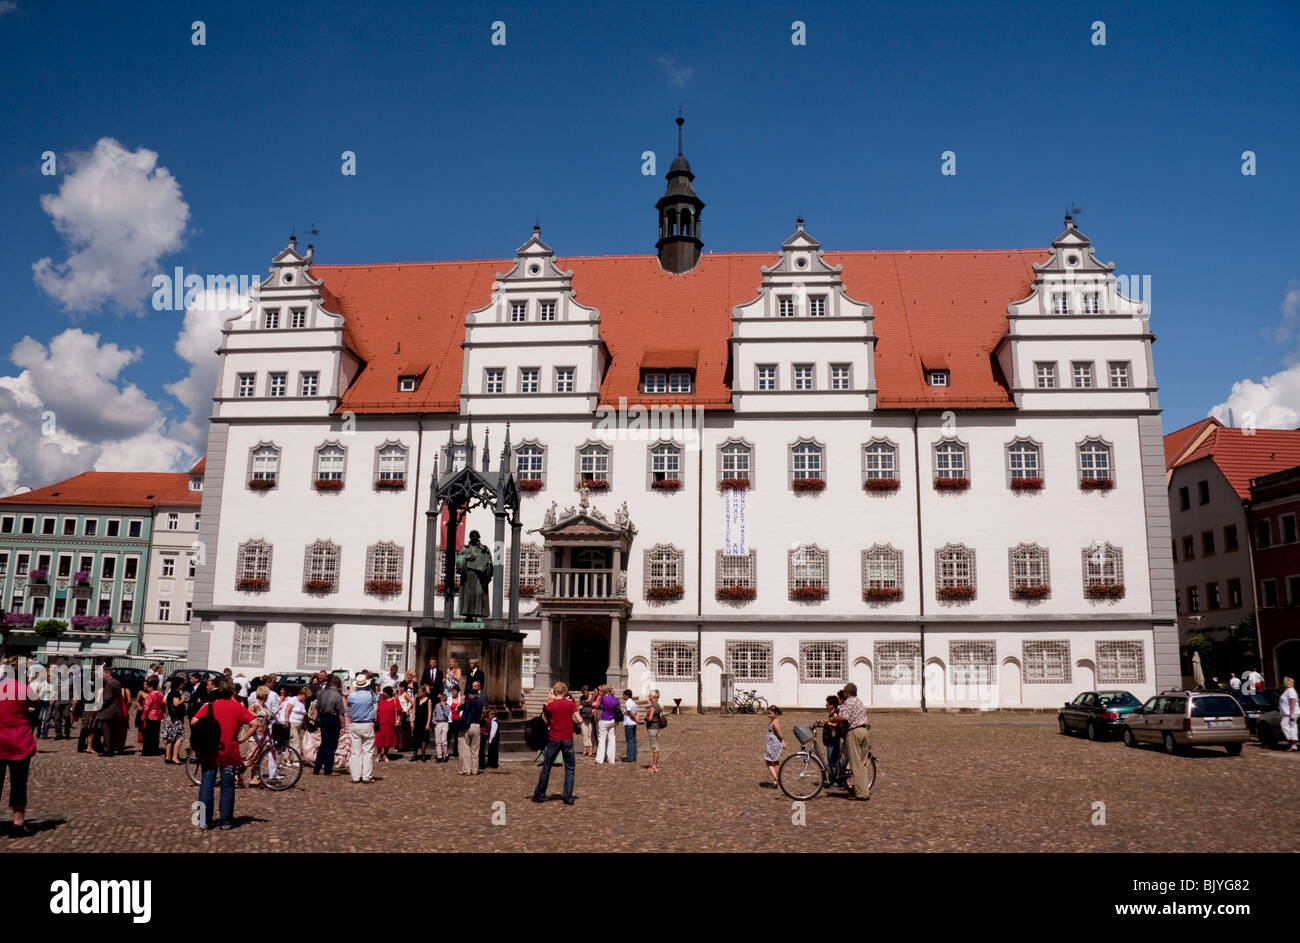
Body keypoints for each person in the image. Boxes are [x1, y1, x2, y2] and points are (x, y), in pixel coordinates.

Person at [192, 678, 256, 830]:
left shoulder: (210, 705)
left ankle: (204, 821)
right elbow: (255, 724)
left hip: (210, 750)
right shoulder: (238, 707)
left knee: (206, 786)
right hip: (229, 751)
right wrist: (242, 739)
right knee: (228, 787)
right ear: (233, 691)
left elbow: (194, 721)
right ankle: (226, 820)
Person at [1, 670, 38, 838]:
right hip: (18, 741)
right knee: (18, 783)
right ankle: (18, 823)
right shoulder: (23, 688)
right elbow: (36, 703)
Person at [532, 682, 579, 804]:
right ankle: (568, 796)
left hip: (554, 738)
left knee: (547, 767)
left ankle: (539, 794)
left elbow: (547, 722)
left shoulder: (550, 707)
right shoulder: (570, 704)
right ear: (564, 692)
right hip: (568, 739)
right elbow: (579, 719)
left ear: (554, 692)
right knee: (570, 768)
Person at [838, 682, 871, 800]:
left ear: (847, 692)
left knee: (856, 765)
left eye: (844, 691)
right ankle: (864, 789)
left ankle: (862, 794)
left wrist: (831, 719)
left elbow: (843, 717)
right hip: (865, 731)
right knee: (862, 764)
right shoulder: (859, 702)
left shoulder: (848, 702)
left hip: (855, 732)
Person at [346, 675, 378, 783]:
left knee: (355, 752)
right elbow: (375, 702)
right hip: (367, 723)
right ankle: (366, 776)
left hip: (355, 723)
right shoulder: (370, 694)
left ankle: (355, 776)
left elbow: (349, 705)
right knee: (368, 752)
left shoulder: (352, 695)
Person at [313, 676, 346, 775]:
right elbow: (340, 713)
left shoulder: (322, 694)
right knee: (331, 745)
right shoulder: (337, 696)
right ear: (338, 684)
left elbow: (317, 707)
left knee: (323, 744)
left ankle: (317, 767)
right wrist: (343, 726)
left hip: (323, 719)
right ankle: (328, 769)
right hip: (333, 720)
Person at [95, 666, 123, 757]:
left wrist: (98, 706)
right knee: (113, 731)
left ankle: (108, 750)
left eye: (102, 674)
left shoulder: (109, 684)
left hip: (108, 712)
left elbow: (107, 698)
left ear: (108, 674)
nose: (102, 676)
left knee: (107, 731)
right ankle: (111, 748)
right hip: (116, 710)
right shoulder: (117, 682)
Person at [458, 681, 484, 775]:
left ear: (470, 694)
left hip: (467, 726)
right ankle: (475, 769)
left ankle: (467, 769)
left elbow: (458, 708)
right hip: (477, 725)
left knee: (466, 749)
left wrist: (462, 701)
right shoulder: (480, 703)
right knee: (475, 750)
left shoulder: (468, 702)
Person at [162, 677, 187, 764]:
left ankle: (167, 757)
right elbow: (176, 704)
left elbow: (165, 702)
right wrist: (182, 700)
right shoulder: (176, 693)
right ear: (179, 684)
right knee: (179, 738)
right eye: (182, 683)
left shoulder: (170, 692)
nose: (183, 685)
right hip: (176, 719)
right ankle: (174, 757)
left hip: (170, 717)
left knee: (170, 738)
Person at [823, 695, 846, 786]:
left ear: (832, 705)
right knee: (831, 760)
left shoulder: (835, 714)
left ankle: (836, 781)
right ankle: (834, 779)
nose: (826, 705)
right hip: (830, 741)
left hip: (833, 741)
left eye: (827, 703)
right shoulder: (832, 714)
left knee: (833, 760)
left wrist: (827, 722)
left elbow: (836, 724)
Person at [140, 680, 165, 757]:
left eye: (148, 687)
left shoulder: (150, 695)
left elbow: (147, 706)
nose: (147, 688)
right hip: (158, 715)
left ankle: (147, 750)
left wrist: (143, 715)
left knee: (148, 734)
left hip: (150, 715)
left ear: (151, 687)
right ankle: (154, 749)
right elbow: (163, 704)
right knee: (155, 734)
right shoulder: (160, 694)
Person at [595, 684, 619, 764]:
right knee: (612, 739)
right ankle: (611, 759)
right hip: (613, 720)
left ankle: (600, 759)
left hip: (604, 719)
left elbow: (596, 705)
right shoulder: (616, 699)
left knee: (602, 739)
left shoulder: (603, 698)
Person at [375, 687, 400, 762]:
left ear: (388, 693)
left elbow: (399, 712)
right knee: (379, 740)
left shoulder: (395, 701)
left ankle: (385, 754)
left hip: (390, 724)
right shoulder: (380, 701)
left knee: (388, 741)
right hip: (381, 724)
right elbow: (376, 711)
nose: (383, 694)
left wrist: (398, 721)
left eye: (384, 692)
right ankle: (378, 754)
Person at [410, 685, 433, 762]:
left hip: (424, 721)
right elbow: (413, 711)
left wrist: (428, 723)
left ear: (424, 692)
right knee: (415, 738)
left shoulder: (428, 700)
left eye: (420, 692)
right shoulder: (416, 700)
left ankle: (423, 755)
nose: (418, 693)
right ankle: (414, 755)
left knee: (423, 739)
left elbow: (429, 713)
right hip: (417, 721)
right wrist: (412, 720)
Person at [644, 689, 664, 773]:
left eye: (649, 695)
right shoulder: (657, 705)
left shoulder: (653, 706)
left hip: (652, 728)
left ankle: (654, 766)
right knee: (655, 745)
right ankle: (655, 763)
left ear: (652, 696)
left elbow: (650, 718)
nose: (648, 696)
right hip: (656, 727)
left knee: (654, 746)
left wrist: (645, 718)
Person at [763, 706, 784, 786]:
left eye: (770, 713)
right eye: (768, 713)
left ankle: (776, 778)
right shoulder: (773, 721)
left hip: (773, 745)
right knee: (774, 762)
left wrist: (782, 741)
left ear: (775, 714)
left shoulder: (775, 722)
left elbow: (779, 734)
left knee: (769, 761)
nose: (769, 715)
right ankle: (776, 780)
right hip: (771, 744)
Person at [1280, 677, 1299, 752]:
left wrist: (1291, 713)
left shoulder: (1290, 690)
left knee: (1285, 725)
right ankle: (1292, 744)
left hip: (1290, 713)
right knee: (1291, 727)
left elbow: (1293, 701)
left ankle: (1293, 743)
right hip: (1289, 712)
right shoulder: (1289, 690)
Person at [432, 692, 451, 762]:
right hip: (438, 723)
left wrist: (443, 707)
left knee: (444, 741)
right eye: (441, 700)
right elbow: (434, 713)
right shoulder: (437, 705)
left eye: (443, 700)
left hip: (445, 723)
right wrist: (433, 721)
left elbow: (446, 715)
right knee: (438, 741)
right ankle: (439, 755)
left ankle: (445, 754)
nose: (442, 701)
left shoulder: (447, 706)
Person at [621, 688, 639, 763]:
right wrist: (636, 720)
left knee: (629, 741)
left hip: (629, 722)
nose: (623, 697)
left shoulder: (628, 702)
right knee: (633, 740)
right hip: (633, 723)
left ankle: (629, 757)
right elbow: (636, 712)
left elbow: (629, 712)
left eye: (624, 695)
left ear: (627, 695)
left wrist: (634, 718)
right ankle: (633, 756)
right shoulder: (633, 702)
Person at [577, 686, 594, 756]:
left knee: (590, 733)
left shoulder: (593, 697)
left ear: (588, 691)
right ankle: (585, 749)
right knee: (584, 733)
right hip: (583, 717)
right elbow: (579, 705)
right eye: (583, 692)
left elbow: (594, 706)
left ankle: (590, 750)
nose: (585, 693)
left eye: (586, 692)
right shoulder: (582, 698)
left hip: (591, 717)